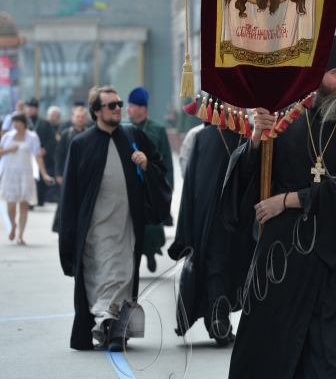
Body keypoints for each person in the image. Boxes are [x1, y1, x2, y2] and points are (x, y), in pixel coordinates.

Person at [221, 36, 336, 379]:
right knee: (271, 348)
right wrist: (257, 138)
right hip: (283, 255)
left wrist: (288, 199)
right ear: (316, 75)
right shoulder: (281, 122)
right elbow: (243, 174)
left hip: (333, 257)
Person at [59, 87, 171, 352]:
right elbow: (71, 196)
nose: (118, 108)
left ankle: (115, 330)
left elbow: (159, 166)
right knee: (101, 277)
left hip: (126, 225)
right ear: (96, 111)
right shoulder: (81, 144)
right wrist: (69, 236)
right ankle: (107, 325)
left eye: (119, 104)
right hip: (95, 230)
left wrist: (146, 165)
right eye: (111, 105)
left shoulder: (133, 135)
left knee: (122, 275)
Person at [169, 101, 256, 347]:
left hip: (242, 217)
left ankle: (219, 319)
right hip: (212, 218)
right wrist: (187, 227)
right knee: (215, 264)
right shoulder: (204, 137)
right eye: (232, 100)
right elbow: (191, 185)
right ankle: (218, 318)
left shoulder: (254, 136)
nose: (240, 106)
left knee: (236, 266)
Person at [125, 87, 175, 273]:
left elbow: (166, 159)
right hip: (131, 185)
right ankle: (134, 259)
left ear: (142, 109)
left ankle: (151, 252)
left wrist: (168, 185)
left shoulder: (157, 129)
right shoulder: (123, 127)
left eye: (131, 106)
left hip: (152, 184)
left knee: (152, 225)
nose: (127, 109)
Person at [0, 113, 53, 245]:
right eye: (14, 122)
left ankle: (20, 236)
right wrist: (9, 149)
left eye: (18, 121)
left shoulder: (32, 137)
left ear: (24, 123)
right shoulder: (7, 136)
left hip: (26, 174)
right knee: (10, 206)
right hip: (10, 174)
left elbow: (38, 156)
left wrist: (44, 174)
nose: (15, 124)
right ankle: (13, 224)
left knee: (24, 206)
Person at [52, 106, 89, 234]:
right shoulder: (66, 134)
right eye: (77, 116)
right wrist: (58, 174)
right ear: (73, 119)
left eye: (82, 117)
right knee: (65, 202)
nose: (80, 119)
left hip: (84, 175)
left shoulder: (90, 134)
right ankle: (62, 228)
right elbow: (58, 155)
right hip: (67, 173)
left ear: (86, 119)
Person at [25, 99, 55, 206]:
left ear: (37, 109)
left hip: (41, 156)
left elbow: (52, 140)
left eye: (31, 108)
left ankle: (40, 199)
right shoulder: (24, 123)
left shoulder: (45, 123)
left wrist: (45, 149)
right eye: (27, 107)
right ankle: (28, 201)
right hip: (27, 157)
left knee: (41, 179)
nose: (29, 110)